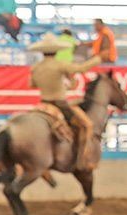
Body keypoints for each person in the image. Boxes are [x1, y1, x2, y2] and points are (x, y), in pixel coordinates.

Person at [29, 32, 104, 171]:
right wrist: (97, 59)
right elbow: (81, 69)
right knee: (87, 125)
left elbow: (32, 85)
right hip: (59, 104)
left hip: (43, 103)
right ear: (56, 51)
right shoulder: (60, 65)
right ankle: (82, 159)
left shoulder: (36, 67)